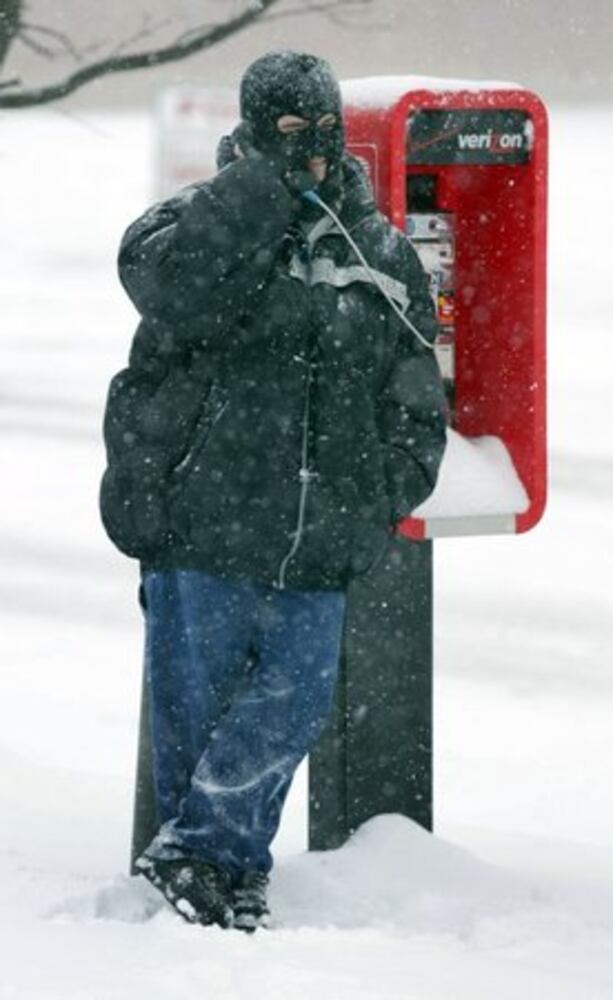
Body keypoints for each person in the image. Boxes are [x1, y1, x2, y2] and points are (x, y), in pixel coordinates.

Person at [100, 51, 447, 932]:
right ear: (251, 134)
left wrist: (377, 502)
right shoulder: (188, 226)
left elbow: (413, 399)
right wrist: (261, 192)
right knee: (193, 720)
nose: (310, 150)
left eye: (321, 131)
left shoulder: (378, 252)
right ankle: (212, 880)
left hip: (320, 535)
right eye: (286, 133)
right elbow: (170, 293)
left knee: (289, 706)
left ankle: (202, 857)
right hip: (202, 527)